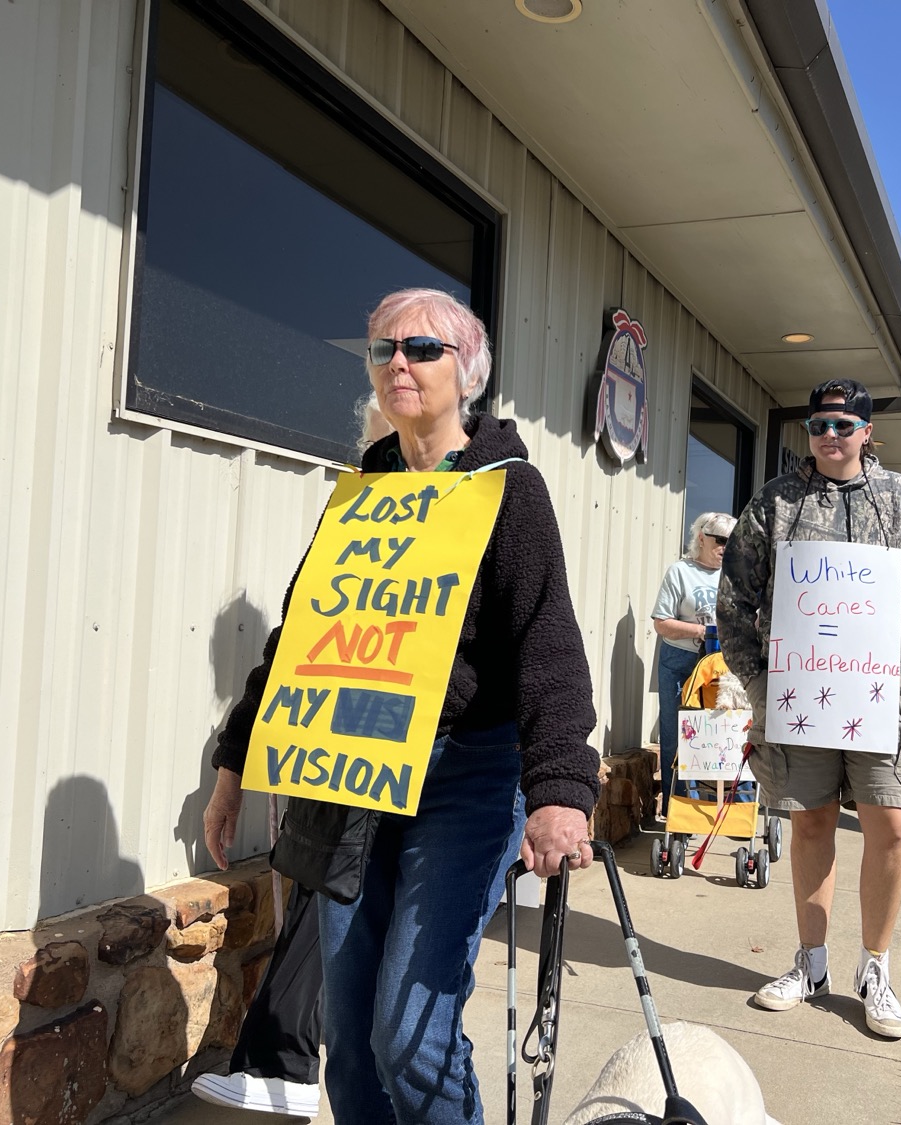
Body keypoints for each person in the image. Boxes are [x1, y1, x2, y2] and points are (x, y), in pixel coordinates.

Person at [202, 288, 599, 1125]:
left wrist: (563, 785)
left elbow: (547, 642)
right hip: (358, 769)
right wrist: (235, 762)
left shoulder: (508, 490)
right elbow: (302, 635)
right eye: (381, 351)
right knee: (347, 1036)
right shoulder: (361, 493)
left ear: (468, 371)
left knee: (410, 1035)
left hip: (467, 776)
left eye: (419, 349)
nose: (397, 365)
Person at [717, 378, 901, 1039]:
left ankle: (874, 969)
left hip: (882, 693)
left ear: (867, 432)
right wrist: (760, 681)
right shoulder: (776, 503)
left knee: (892, 827)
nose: (829, 436)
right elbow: (735, 596)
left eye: (843, 425)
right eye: (819, 424)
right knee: (811, 822)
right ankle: (811, 963)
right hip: (801, 691)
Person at [193, 397, 396, 1117]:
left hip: (422, 755)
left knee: (344, 898)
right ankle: (281, 1058)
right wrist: (232, 771)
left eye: (395, 449)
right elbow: (293, 643)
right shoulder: (351, 518)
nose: (382, 464)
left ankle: (284, 1056)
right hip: (334, 743)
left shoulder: (479, 514)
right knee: (321, 884)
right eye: (374, 452)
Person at [651, 512, 736, 819]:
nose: (726, 547)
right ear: (701, 537)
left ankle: (716, 806)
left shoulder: (734, 574)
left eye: (732, 541)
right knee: (677, 735)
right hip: (681, 662)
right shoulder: (680, 571)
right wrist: (702, 631)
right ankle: (678, 812)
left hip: (721, 666)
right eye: (720, 540)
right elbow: (661, 623)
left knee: (719, 733)